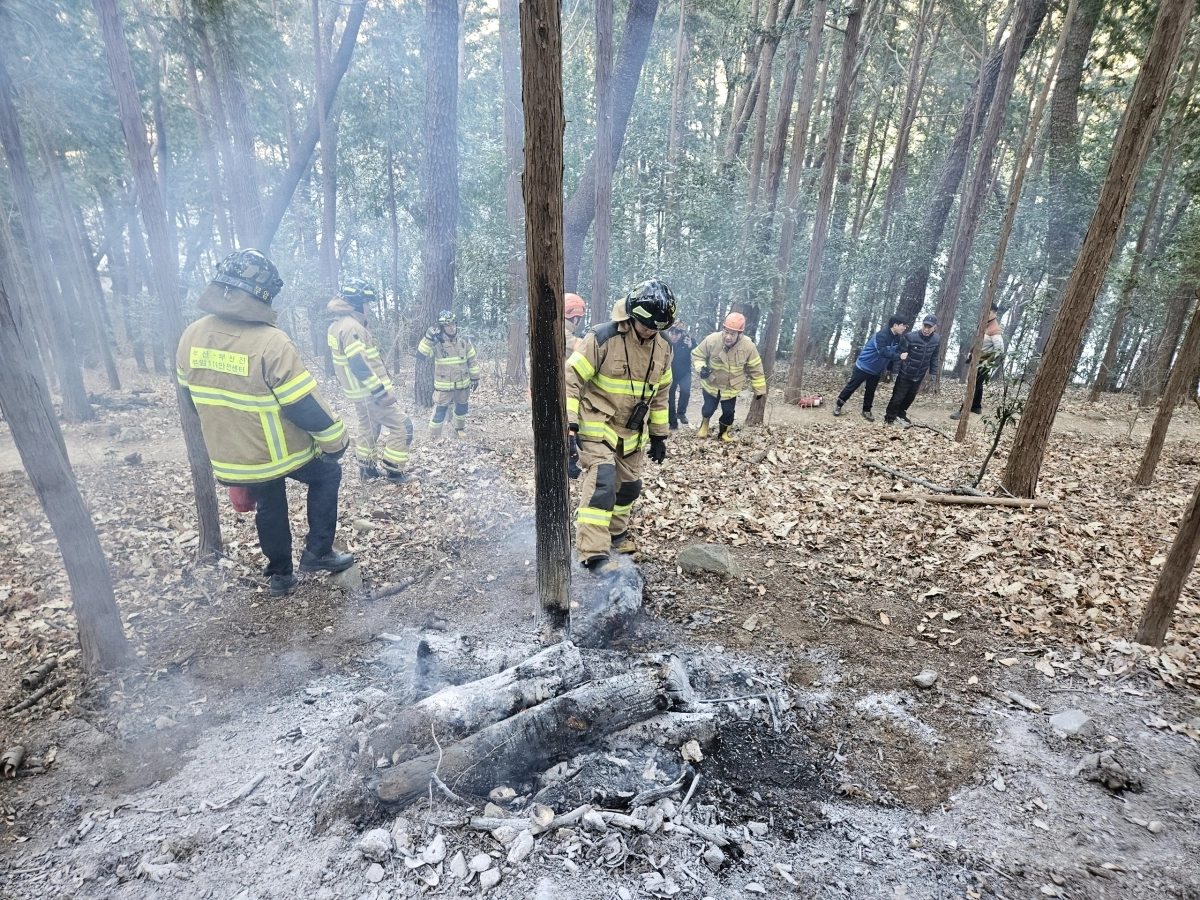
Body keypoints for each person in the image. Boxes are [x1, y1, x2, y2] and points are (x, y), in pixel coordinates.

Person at [177, 249, 353, 597]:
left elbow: (191, 402)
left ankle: (281, 576)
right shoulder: (270, 342)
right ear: (263, 295)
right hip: (278, 451)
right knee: (328, 473)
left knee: (270, 503)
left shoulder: (191, 336)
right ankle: (318, 552)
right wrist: (337, 441)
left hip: (232, 456)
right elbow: (303, 406)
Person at [566, 280, 675, 571]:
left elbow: (661, 394)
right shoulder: (603, 337)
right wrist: (569, 425)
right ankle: (594, 554)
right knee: (603, 481)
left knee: (629, 488)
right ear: (632, 315)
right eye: (647, 325)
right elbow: (571, 379)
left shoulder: (663, 348)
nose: (651, 331)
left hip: (632, 432)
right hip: (597, 423)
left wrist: (659, 435)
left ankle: (615, 536)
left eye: (657, 327)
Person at [326, 278, 414, 484]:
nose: (369, 307)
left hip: (358, 393)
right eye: (367, 302)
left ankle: (366, 469)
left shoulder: (338, 326)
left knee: (369, 426)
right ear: (357, 303)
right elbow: (358, 363)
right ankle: (394, 470)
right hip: (369, 393)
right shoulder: (351, 327)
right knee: (404, 426)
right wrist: (380, 393)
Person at [691, 313, 767, 441]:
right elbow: (697, 355)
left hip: (731, 386)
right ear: (723, 328)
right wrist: (701, 368)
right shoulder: (712, 340)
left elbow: (755, 368)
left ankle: (724, 434)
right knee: (708, 408)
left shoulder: (748, 346)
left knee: (728, 412)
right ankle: (704, 424)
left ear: (739, 333)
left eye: (732, 334)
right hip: (712, 383)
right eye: (726, 332)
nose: (728, 337)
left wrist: (759, 389)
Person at [832, 315, 909, 422]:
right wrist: (899, 357)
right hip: (864, 366)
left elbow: (893, 352)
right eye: (903, 325)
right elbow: (882, 352)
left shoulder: (897, 338)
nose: (904, 328)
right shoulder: (881, 335)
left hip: (876, 370)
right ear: (895, 325)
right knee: (851, 387)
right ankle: (839, 405)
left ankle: (866, 410)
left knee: (871, 390)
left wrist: (890, 369)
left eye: (905, 326)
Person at [417, 310, 480, 438]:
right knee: (440, 411)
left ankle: (459, 428)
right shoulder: (436, 343)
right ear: (441, 327)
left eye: (453, 324)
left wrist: (475, 378)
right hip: (444, 386)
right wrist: (428, 338)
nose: (452, 327)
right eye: (447, 325)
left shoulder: (464, 341)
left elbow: (472, 361)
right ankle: (433, 435)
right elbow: (421, 355)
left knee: (462, 408)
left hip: (463, 384)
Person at [885, 314, 940, 426]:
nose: (926, 329)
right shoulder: (910, 337)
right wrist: (895, 372)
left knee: (910, 397)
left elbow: (934, 357)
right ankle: (889, 418)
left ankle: (901, 413)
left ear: (935, 327)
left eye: (929, 327)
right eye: (925, 325)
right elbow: (900, 354)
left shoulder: (937, 339)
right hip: (905, 373)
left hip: (919, 374)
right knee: (898, 397)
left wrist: (933, 372)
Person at [951, 306, 1006, 420]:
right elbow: (978, 341)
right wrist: (971, 352)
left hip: (984, 363)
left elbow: (999, 350)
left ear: (995, 313)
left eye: (989, 312)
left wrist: (988, 361)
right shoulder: (984, 325)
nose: (986, 314)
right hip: (977, 359)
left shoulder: (995, 330)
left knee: (974, 385)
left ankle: (963, 410)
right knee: (978, 384)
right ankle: (976, 406)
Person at [665, 320, 695, 429]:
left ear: (681, 333)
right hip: (670, 373)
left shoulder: (688, 340)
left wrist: (691, 346)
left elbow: (697, 353)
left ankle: (681, 413)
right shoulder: (665, 341)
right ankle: (673, 423)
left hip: (684, 372)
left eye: (677, 334)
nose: (674, 336)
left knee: (685, 392)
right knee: (670, 398)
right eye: (672, 334)